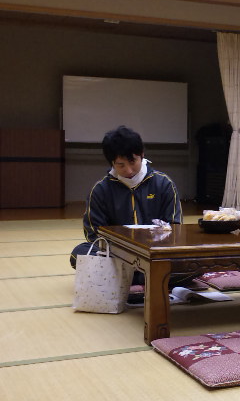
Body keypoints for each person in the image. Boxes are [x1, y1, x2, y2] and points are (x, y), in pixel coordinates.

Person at [70, 126, 182, 298]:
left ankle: (125, 278)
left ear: (142, 155)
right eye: (120, 165)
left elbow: (175, 228)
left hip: (155, 255)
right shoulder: (101, 190)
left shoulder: (163, 184)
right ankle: (148, 277)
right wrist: (122, 251)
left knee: (190, 262)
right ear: (111, 163)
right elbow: (93, 233)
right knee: (78, 254)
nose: (128, 170)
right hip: (117, 256)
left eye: (132, 162)